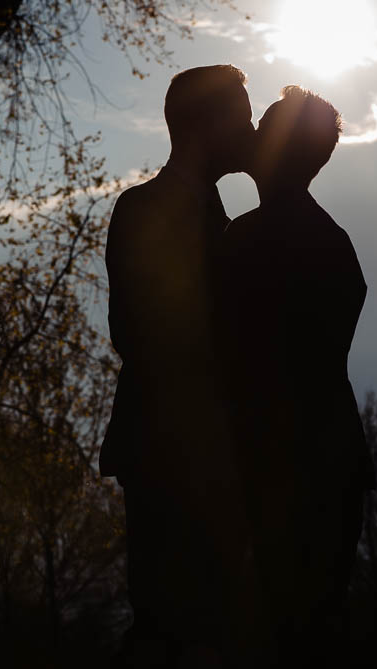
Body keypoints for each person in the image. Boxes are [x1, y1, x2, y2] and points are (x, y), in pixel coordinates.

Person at [100, 65, 256, 668]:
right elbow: (138, 332)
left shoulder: (220, 216)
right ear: (206, 123)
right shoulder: (145, 209)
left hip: (206, 452)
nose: (248, 128)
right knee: (171, 626)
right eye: (239, 115)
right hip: (170, 452)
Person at [220, 86, 375, 668]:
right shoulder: (332, 240)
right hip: (329, 460)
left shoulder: (249, 239)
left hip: (283, 466)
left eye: (263, 127)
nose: (251, 135)